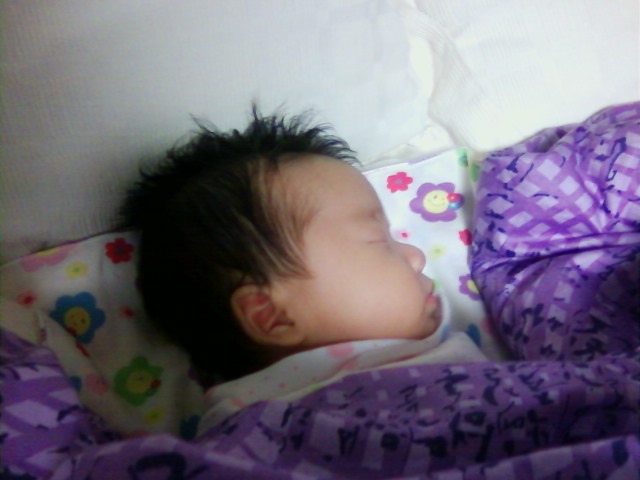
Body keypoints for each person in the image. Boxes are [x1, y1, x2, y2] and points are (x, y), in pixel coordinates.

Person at [121, 109, 486, 427]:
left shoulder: (456, 357)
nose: (417, 256)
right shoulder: (248, 438)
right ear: (272, 317)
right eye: (379, 241)